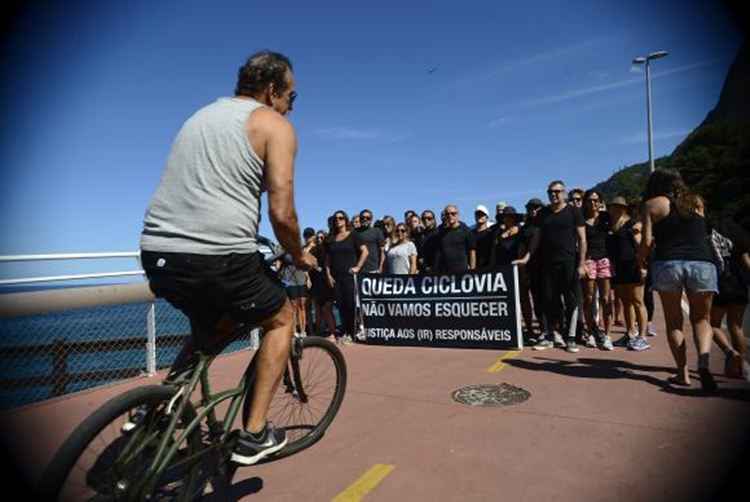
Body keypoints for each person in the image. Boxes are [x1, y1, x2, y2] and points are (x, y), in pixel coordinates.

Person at [140, 51, 316, 464]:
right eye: (292, 95)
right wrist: (299, 254)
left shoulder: (198, 118)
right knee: (282, 318)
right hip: (218, 257)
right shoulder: (274, 124)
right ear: (273, 90)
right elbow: (282, 213)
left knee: (212, 325)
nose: (291, 104)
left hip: (157, 252)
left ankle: (159, 409)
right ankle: (254, 434)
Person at [639, 168, 718, 391]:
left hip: (668, 263)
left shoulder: (652, 205)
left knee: (675, 321)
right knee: (702, 319)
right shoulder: (696, 201)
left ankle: (682, 373)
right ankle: (703, 363)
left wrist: (641, 261)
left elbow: (646, 241)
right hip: (701, 262)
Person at [528, 180, 586, 353]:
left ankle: (571, 338)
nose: (554, 194)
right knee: (548, 300)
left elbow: (582, 239)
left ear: (564, 193)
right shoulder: (543, 214)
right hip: (547, 264)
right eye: (551, 192)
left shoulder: (573, 212)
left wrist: (582, 264)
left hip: (569, 263)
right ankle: (550, 335)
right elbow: (536, 239)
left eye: (557, 191)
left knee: (571, 301)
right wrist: (527, 256)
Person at [707, 214, 749, 378]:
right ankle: (741, 367)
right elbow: (746, 259)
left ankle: (730, 353)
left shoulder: (706, 231)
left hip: (719, 283)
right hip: (738, 282)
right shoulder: (738, 232)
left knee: (711, 324)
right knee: (736, 327)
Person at [607, 196, 649, 351]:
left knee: (638, 301)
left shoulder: (632, 224)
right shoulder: (611, 226)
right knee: (626, 302)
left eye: (619, 206)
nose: (615, 209)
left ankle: (643, 337)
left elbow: (640, 245)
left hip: (633, 265)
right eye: (613, 206)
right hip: (619, 268)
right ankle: (630, 333)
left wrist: (643, 266)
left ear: (624, 208)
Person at [325, 210, 368, 345]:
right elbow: (327, 260)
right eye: (336, 218)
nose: (338, 220)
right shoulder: (330, 238)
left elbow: (365, 251)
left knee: (350, 304)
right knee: (340, 305)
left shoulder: (353, 235)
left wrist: (358, 267)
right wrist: (328, 274)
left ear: (345, 220)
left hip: (350, 276)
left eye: (341, 218)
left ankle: (352, 333)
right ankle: (344, 332)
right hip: (336, 277)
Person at [581, 190, 613, 350]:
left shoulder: (606, 217)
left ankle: (606, 335)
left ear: (600, 202)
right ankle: (592, 332)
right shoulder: (581, 219)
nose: (593, 203)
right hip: (589, 260)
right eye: (590, 200)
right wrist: (582, 263)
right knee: (588, 298)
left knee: (606, 299)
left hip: (604, 260)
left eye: (596, 200)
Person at [307, 228, 337, 337]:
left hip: (328, 281)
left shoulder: (329, 249)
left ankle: (333, 331)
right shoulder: (313, 250)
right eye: (317, 237)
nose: (320, 239)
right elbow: (306, 260)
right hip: (317, 282)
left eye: (322, 237)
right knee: (318, 308)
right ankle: (320, 331)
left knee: (327, 307)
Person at [435, 205, 476, 273]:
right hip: (445, 273)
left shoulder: (466, 230)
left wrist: (472, 270)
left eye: (453, 213)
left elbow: (472, 251)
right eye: (447, 214)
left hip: (462, 271)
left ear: (458, 215)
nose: (450, 216)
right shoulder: (441, 233)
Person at [473, 205, 495, 270]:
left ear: (487, 217)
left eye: (482, 214)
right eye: (477, 214)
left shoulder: (491, 233)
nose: (479, 216)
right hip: (474, 269)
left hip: (489, 268)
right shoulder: (470, 234)